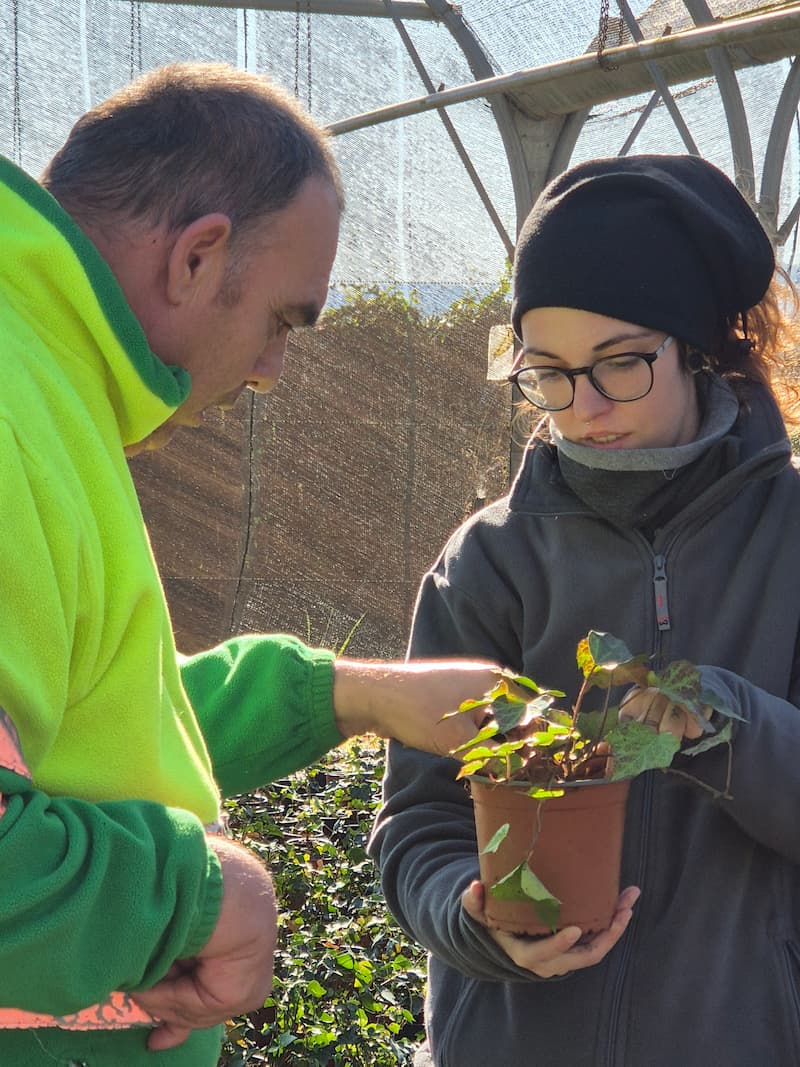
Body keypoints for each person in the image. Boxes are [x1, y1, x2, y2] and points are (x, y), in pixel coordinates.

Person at [0, 62, 500, 1067]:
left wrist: (358, 695)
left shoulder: (48, 383)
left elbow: (91, 723)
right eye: (282, 319)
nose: (272, 369)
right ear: (198, 255)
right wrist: (208, 893)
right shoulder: (15, 415)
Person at [369, 153, 800, 1066]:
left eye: (621, 365)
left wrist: (720, 720)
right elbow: (418, 822)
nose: (586, 405)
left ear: (699, 346)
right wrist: (474, 915)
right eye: (551, 373)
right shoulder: (488, 560)